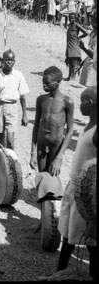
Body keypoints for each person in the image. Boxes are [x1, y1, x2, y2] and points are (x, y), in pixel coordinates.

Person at [55, 87, 97, 280]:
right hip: (74, 188)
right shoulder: (88, 126)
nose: (79, 105)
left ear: (91, 103)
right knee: (69, 233)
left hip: (87, 194)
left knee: (90, 238)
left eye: (82, 101)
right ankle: (58, 272)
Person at [29, 66, 74, 175]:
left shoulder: (67, 102)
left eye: (47, 83)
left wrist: (59, 157)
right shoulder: (41, 100)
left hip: (56, 144)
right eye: (43, 82)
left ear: (58, 82)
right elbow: (36, 126)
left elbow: (70, 131)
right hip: (41, 142)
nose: (44, 85)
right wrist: (33, 152)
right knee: (42, 175)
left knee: (53, 177)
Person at [0, 49, 29, 150]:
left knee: (10, 140)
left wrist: (24, 115)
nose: (9, 62)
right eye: (7, 60)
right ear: (3, 60)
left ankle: (10, 160)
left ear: (14, 61)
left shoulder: (18, 75)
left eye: (12, 60)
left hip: (12, 108)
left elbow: (22, 97)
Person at [65, 13, 88, 81]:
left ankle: (73, 77)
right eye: (69, 18)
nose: (70, 19)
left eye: (72, 18)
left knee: (74, 60)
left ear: (75, 18)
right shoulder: (69, 25)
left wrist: (79, 37)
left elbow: (86, 32)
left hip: (75, 44)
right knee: (70, 60)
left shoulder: (76, 25)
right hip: (69, 44)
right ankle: (69, 76)